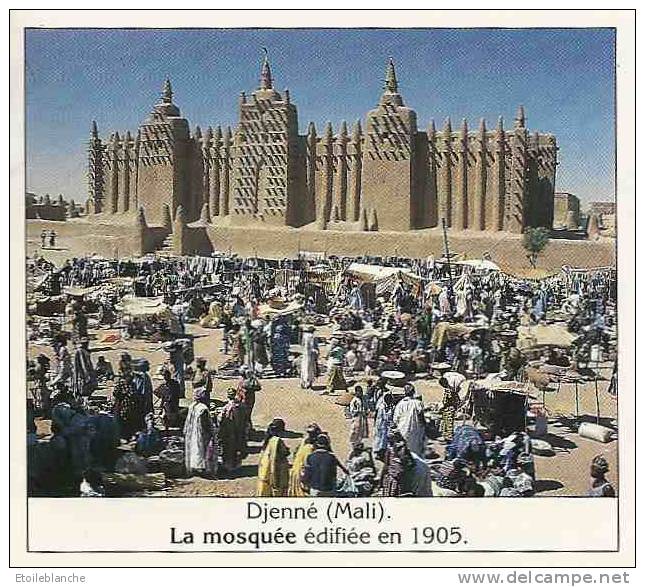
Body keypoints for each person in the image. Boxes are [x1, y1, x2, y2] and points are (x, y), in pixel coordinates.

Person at [183, 388, 218, 478]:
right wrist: (210, 433)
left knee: (193, 449)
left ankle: (194, 468)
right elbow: (205, 423)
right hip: (200, 432)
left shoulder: (192, 406)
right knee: (202, 450)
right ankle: (204, 469)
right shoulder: (203, 408)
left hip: (192, 431)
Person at [256, 418, 290, 497]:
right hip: (274, 470)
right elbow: (283, 453)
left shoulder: (268, 440)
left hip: (264, 471)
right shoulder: (277, 441)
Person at [288, 423, 321, 497]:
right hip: (301, 475)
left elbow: (295, 453)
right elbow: (307, 466)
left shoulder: (304, 441)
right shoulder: (310, 448)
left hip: (296, 470)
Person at [393, 384, 426, 456]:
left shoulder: (400, 404)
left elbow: (395, 419)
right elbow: (421, 417)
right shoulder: (417, 403)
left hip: (402, 430)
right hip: (415, 430)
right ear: (413, 392)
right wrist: (424, 427)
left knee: (404, 451)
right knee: (415, 451)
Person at [112, 364, 143, 441]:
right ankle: (123, 436)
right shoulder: (120, 384)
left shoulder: (132, 384)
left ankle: (128, 436)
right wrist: (124, 394)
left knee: (130, 422)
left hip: (131, 407)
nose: (130, 379)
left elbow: (135, 394)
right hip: (123, 406)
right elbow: (115, 393)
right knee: (123, 421)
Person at [218, 388, 246, 472]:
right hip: (237, 430)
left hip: (229, 430)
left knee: (228, 448)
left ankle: (228, 465)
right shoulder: (240, 405)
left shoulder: (229, 407)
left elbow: (222, 419)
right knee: (235, 448)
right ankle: (234, 464)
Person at [373, 391, 395, 460]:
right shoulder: (381, 407)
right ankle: (379, 454)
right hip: (381, 425)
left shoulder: (391, 407)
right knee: (380, 440)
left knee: (385, 441)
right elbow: (383, 417)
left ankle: (383, 453)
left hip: (386, 426)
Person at [300, 325, 318, 389]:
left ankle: (303, 382)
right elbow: (313, 346)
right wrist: (317, 353)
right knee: (310, 368)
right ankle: (309, 382)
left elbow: (302, 344)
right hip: (310, 354)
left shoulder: (304, 336)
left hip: (304, 354)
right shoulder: (312, 337)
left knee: (304, 367)